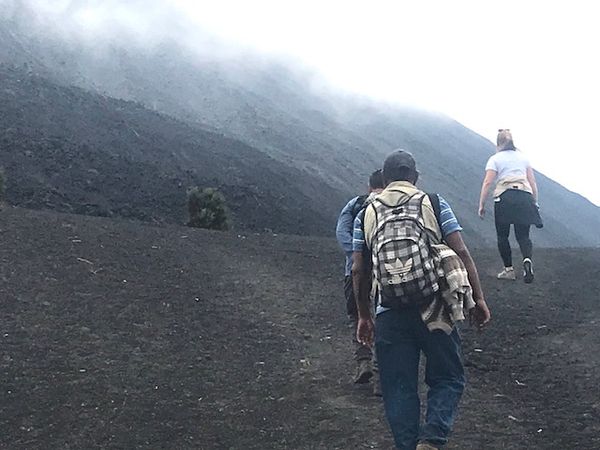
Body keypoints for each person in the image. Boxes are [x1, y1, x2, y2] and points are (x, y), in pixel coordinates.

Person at [353, 150, 491, 450]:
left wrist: (364, 314)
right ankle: (432, 439)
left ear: (385, 179)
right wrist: (477, 299)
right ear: (415, 178)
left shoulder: (366, 211)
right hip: (435, 307)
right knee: (448, 377)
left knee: (399, 387)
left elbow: (358, 268)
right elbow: (462, 252)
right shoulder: (434, 202)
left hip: (389, 310)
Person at [335, 170, 385, 385]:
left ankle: (364, 361)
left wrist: (358, 254)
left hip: (354, 272)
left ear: (369, 186)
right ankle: (382, 373)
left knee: (358, 316)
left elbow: (341, 232)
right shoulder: (393, 206)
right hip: (387, 272)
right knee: (386, 319)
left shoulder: (356, 204)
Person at [478, 129, 543, 283]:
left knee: (503, 235)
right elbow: (532, 182)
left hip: (504, 198)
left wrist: (481, 204)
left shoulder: (495, 159)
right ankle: (527, 259)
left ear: (498, 143)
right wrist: (535, 202)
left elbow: (488, 182)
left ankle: (509, 270)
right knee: (523, 235)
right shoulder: (523, 158)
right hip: (524, 196)